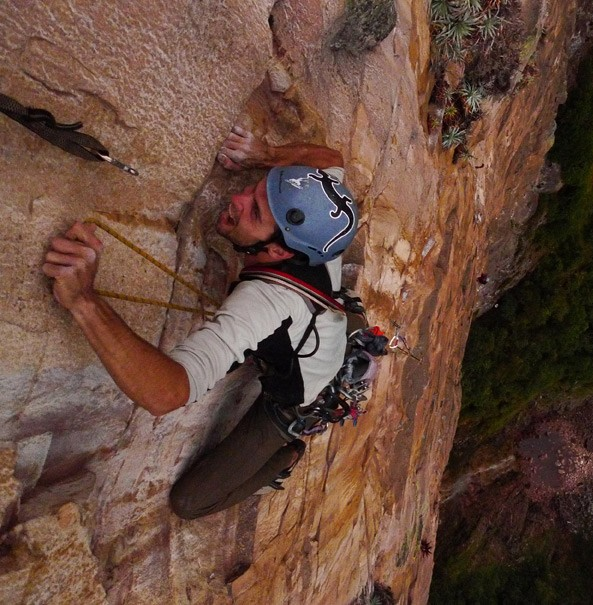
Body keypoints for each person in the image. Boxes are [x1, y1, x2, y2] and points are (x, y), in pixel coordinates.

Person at [42, 126, 359, 519]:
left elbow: (166, 393)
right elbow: (332, 161)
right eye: (256, 190)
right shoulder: (317, 236)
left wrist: (85, 302)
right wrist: (264, 153)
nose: (238, 199)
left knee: (189, 503)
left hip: (295, 401)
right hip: (324, 332)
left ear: (277, 250)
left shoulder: (263, 304)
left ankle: (285, 457)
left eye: (256, 211)